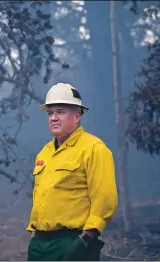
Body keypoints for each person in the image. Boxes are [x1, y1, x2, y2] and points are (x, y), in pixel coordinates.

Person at [26, 83, 118, 261]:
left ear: (77, 116)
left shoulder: (94, 149)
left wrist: (85, 238)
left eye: (60, 112)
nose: (53, 117)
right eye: (50, 113)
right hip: (40, 245)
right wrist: (34, 240)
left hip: (73, 241)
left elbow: (105, 198)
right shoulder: (44, 153)